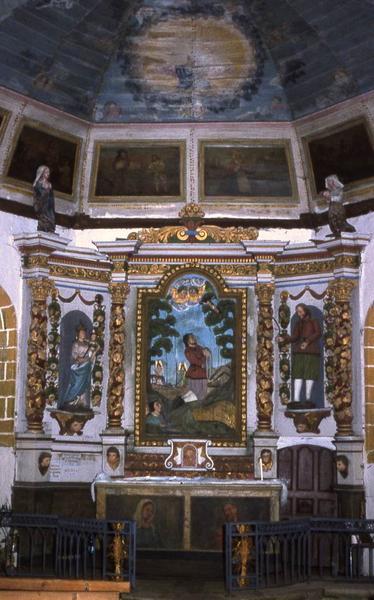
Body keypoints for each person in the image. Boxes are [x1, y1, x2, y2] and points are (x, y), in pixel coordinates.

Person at [277, 304, 321, 404]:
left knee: (309, 375)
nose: (299, 314)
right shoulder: (298, 324)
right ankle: (296, 399)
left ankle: (308, 399)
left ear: (306, 311)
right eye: (297, 312)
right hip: (299, 352)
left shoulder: (314, 321)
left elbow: (318, 333)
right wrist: (284, 338)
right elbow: (294, 337)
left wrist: (308, 341)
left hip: (311, 352)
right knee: (298, 374)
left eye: (300, 311)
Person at [61, 324, 97, 411]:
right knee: (75, 384)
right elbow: (75, 356)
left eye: (84, 332)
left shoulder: (87, 344)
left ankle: (81, 402)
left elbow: (90, 356)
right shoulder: (75, 344)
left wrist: (93, 352)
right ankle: (70, 400)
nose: (83, 334)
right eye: (81, 333)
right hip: (78, 368)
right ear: (78, 334)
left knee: (83, 385)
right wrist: (81, 359)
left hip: (85, 367)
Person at [183, 333, 210, 401]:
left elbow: (205, 352)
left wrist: (206, 352)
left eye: (194, 336)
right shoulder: (188, 351)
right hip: (194, 375)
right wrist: (204, 356)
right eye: (191, 337)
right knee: (193, 394)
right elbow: (197, 362)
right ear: (187, 341)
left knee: (203, 394)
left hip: (203, 374)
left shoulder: (198, 347)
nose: (194, 338)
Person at [33, 165, 55, 232]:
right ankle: (44, 227)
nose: (48, 174)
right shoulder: (38, 184)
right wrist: (45, 193)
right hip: (42, 205)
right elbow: (38, 195)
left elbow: (51, 197)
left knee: (51, 218)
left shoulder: (49, 184)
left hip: (49, 206)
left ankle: (50, 228)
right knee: (43, 218)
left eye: (48, 172)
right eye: (46, 172)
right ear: (42, 173)